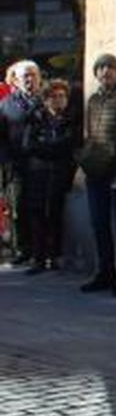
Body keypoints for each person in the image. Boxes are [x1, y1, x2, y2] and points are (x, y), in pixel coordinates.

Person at [78, 54, 116, 293]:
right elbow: (90, 131)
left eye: (110, 67)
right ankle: (106, 272)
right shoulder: (93, 100)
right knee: (99, 223)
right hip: (95, 168)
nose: (105, 72)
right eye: (100, 68)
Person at [21, 78, 78, 273]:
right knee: (37, 214)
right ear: (45, 100)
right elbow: (28, 145)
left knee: (56, 213)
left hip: (61, 172)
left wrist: (48, 148)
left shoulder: (71, 119)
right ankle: (38, 258)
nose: (58, 100)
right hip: (38, 172)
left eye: (62, 96)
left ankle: (55, 256)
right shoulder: (36, 118)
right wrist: (51, 148)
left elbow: (70, 143)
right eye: (53, 97)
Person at [1, 60, 43, 266]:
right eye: (25, 75)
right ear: (15, 80)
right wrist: (6, 161)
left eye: (33, 75)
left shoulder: (45, 100)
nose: (29, 79)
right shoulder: (6, 104)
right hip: (16, 164)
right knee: (17, 207)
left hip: (42, 163)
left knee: (39, 207)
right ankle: (22, 249)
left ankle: (41, 250)